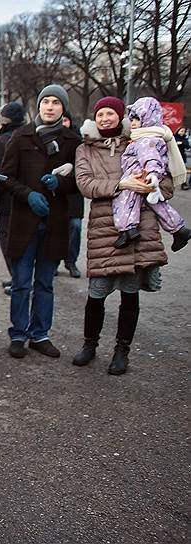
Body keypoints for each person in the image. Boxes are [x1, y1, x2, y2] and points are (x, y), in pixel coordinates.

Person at [72, 96, 175, 375]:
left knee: (130, 293)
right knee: (96, 294)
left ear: (121, 116)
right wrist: (122, 184)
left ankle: (121, 351)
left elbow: (166, 184)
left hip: (137, 227)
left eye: (111, 113)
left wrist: (147, 187)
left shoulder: (143, 140)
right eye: (101, 114)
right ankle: (89, 345)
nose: (106, 118)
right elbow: (85, 183)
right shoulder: (86, 148)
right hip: (104, 228)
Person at [0, 84, 82, 359]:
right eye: (45, 101)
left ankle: (40, 334)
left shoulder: (72, 140)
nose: (49, 107)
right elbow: (6, 178)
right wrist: (29, 194)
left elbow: (80, 181)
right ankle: (19, 334)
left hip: (55, 223)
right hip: (24, 222)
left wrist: (61, 182)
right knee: (22, 281)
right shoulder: (22, 137)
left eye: (55, 103)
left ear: (63, 108)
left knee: (45, 283)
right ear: (38, 106)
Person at [111, 97, 190, 252]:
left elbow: (151, 157)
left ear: (147, 119)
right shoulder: (152, 136)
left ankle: (128, 229)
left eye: (137, 118)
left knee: (124, 200)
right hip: (146, 175)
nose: (132, 122)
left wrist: (153, 173)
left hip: (140, 176)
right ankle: (178, 229)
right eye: (131, 118)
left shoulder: (145, 139)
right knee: (158, 204)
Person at [0, 102, 26, 293]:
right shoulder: (27, 135)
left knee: (8, 243)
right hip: (24, 199)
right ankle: (19, 280)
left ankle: (18, 281)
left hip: (7, 202)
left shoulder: (4, 141)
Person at [62, 113, 84, 278]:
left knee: (75, 226)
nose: (63, 123)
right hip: (54, 192)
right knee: (53, 228)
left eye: (66, 120)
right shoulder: (45, 138)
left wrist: (72, 171)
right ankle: (53, 259)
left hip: (74, 192)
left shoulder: (78, 141)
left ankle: (71, 261)